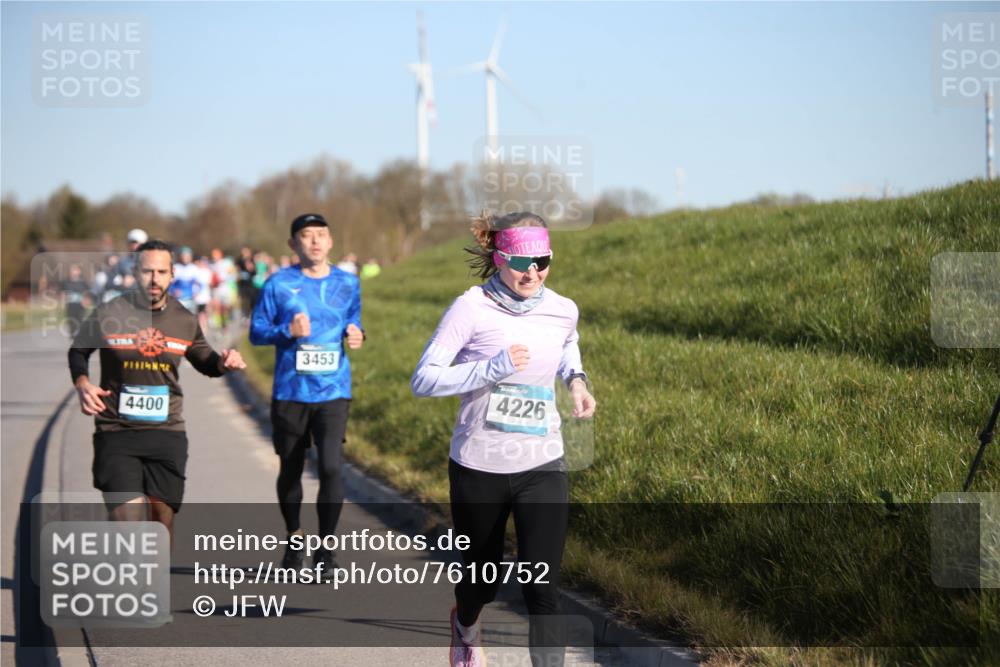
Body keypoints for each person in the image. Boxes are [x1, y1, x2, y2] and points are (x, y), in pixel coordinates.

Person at [410, 211, 596, 667]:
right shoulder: (470, 308)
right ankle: (466, 624)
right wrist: (490, 368)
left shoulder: (562, 308)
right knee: (480, 583)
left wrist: (576, 380)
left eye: (542, 260)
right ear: (498, 257)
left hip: (542, 464)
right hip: (479, 465)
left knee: (542, 587)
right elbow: (423, 379)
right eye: (520, 261)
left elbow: (567, 342)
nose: (532, 271)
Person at [68, 240, 246, 542]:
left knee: (161, 520)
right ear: (135, 272)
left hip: (167, 432)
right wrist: (83, 384)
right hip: (116, 430)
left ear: (172, 274)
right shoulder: (109, 312)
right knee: (128, 521)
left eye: (161, 271)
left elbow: (207, 362)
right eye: (147, 271)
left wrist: (225, 363)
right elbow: (78, 351)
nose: (154, 279)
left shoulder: (184, 320)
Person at [249, 213, 365, 574]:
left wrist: (357, 332)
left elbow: (354, 320)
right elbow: (256, 332)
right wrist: (287, 330)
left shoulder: (348, 283)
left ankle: (327, 550)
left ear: (331, 242)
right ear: (293, 244)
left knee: (331, 466)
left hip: (333, 389)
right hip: (291, 391)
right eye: (306, 236)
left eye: (321, 235)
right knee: (291, 468)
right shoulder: (278, 284)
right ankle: (295, 537)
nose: (314, 242)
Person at [171, 246, 200, 313]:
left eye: (187, 256)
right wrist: (173, 291)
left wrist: (196, 292)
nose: (185, 258)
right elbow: (170, 284)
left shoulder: (194, 268)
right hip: (178, 300)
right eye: (184, 256)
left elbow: (199, 284)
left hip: (190, 299)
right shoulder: (176, 268)